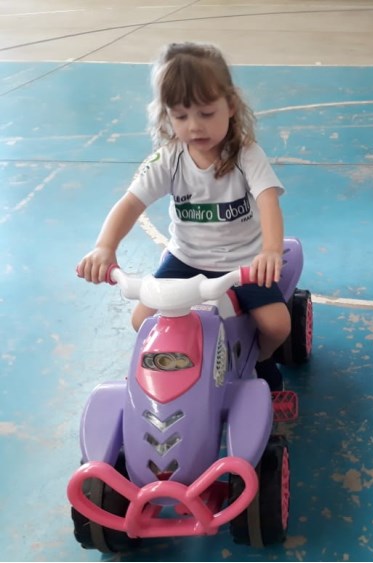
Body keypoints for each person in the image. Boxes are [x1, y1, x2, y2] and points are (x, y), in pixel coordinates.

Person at [77, 41, 290, 391]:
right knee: (142, 320)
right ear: (167, 115)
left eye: (206, 113)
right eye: (180, 116)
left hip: (241, 262)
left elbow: (268, 200)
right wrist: (105, 246)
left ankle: (260, 360)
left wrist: (269, 250)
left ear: (230, 106)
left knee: (277, 325)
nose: (194, 127)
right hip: (186, 260)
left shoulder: (246, 155)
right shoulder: (168, 159)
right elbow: (130, 203)